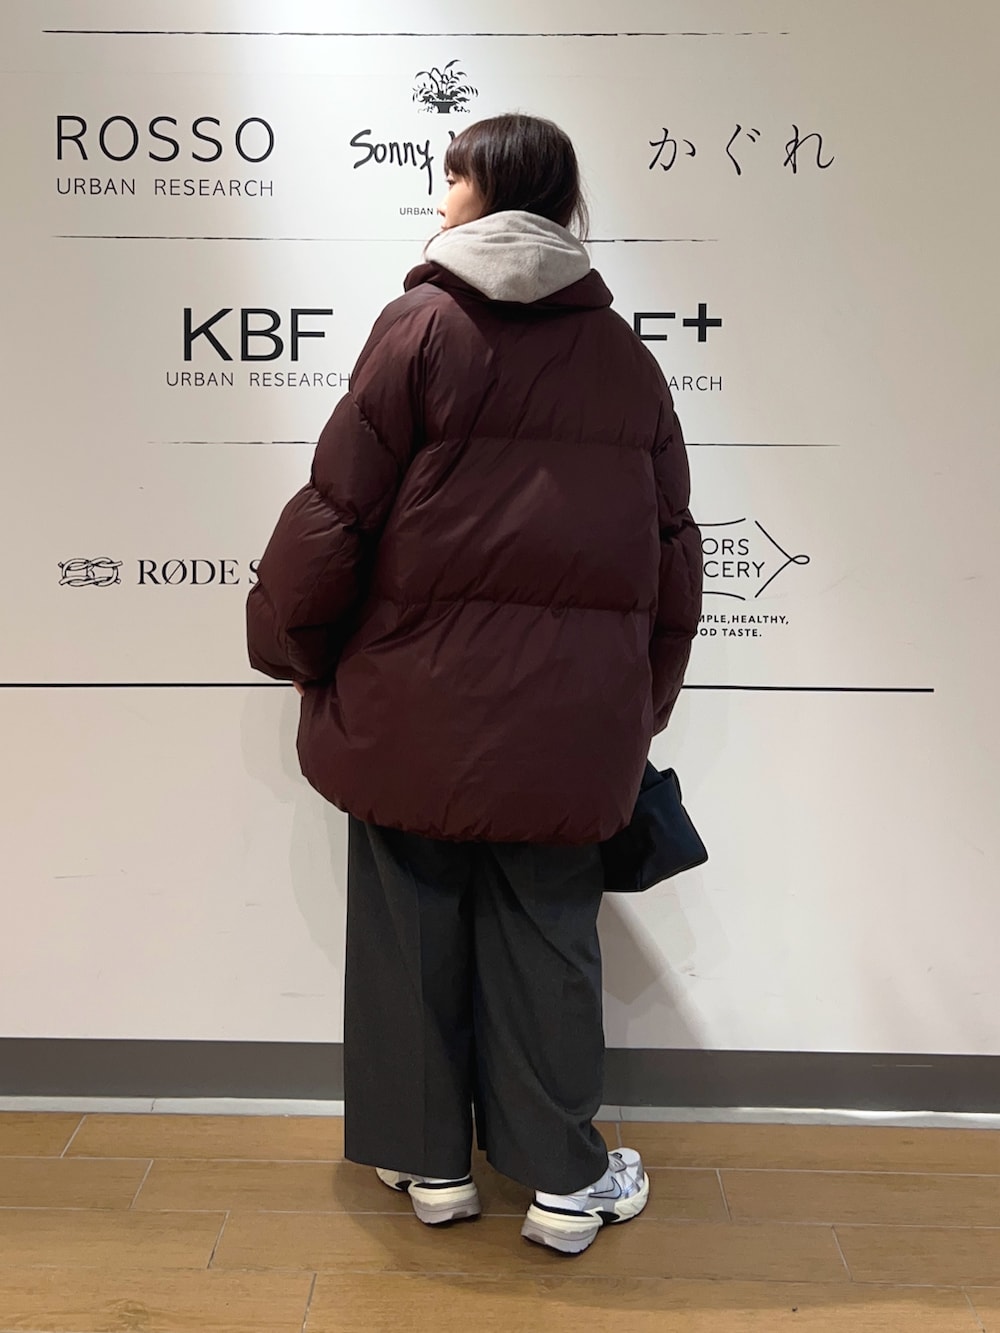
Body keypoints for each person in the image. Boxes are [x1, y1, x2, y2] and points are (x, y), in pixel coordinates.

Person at [246, 113, 702, 1255]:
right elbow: (671, 552)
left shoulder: (418, 328)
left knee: (408, 929)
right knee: (552, 939)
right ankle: (564, 1183)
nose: (439, 192)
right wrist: (638, 704)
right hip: (569, 723)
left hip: (415, 706)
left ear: (485, 190)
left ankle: (429, 1165)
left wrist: (292, 643)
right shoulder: (626, 358)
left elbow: (336, 512)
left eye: (450, 174)